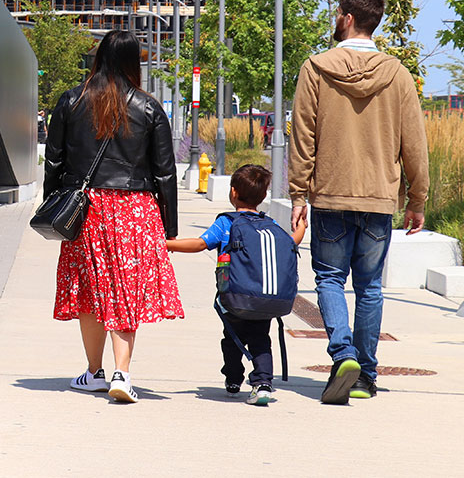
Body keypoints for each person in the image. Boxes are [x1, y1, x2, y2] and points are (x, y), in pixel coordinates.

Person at [289, 0, 429, 404]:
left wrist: (298, 194)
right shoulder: (398, 74)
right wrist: (417, 199)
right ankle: (366, 376)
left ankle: (343, 354)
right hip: (378, 198)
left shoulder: (315, 68)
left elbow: (303, 137)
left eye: (337, 12)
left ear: (347, 18)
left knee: (329, 279)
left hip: (330, 194)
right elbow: (414, 143)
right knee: (369, 286)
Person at [43, 30, 182, 403]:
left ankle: (94, 372)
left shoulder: (71, 101)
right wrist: (168, 228)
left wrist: (53, 210)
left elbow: (54, 160)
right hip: (136, 210)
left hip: (87, 209)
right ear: (134, 61)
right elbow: (165, 171)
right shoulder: (149, 107)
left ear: (99, 58)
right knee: (126, 289)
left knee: (90, 292)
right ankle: (123, 371)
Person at [167, 165, 306, 406]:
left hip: (236, 297)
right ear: (262, 197)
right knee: (261, 338)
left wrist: (165, 244)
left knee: (232, 338)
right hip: (266, 299)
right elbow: (291, 244)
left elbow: (201, 244)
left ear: (233, 192)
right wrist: (302, 226)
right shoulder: (270, 224)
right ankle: (263, 383)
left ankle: (233, 379)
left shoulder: (226, 223)